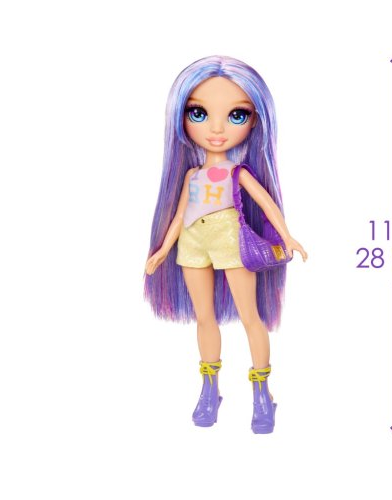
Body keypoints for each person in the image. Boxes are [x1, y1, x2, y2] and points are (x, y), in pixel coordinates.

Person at [144, 56, 307, 434]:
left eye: (237, 115)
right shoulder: (191, 175)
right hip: (192, 242)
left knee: (251, 316)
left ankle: (262, 393)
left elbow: (267, 203)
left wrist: (287, 237)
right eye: (198, 113)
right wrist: (163, 250)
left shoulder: (237, 172)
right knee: (205, 317)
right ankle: (209, 390)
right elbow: (179, 216)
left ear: (255, 121)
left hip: (230, 239)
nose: (216, 128)